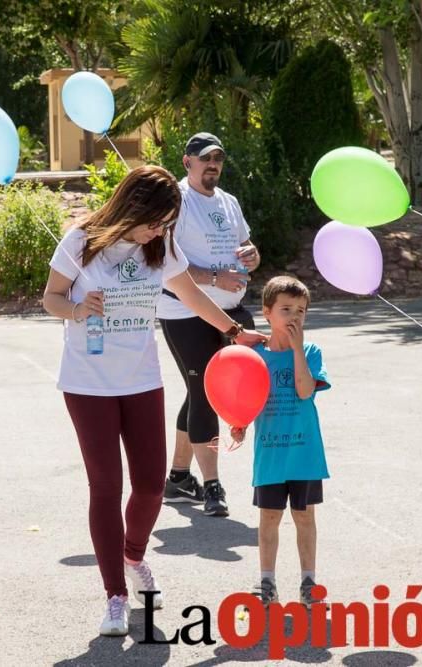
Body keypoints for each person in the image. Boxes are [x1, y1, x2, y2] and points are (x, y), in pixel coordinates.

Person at [42, 164, 265, 637]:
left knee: (149, 488)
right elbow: (51, 299)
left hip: (141, 379)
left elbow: (193, 296)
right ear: (133, 207)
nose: (160, 231)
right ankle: (115, 596)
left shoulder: (160, 246)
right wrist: (78, 308)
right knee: (105, 487)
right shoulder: (81, 241)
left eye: (167, 224)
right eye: (156, 221)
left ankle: (133, 556)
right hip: (88, 383)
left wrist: (234, 332)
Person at [158, 132, 260, 517]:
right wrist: (216, 278)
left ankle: (179, 478)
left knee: (199, 391)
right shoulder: (177, 202)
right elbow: (168, 267)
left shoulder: (229, 202)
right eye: (205, 158)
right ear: (187, 162)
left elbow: (248, 249)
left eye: (218, 157)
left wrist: (252, 257)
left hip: (233, 312)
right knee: (204, 393)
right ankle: (213, 485)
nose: (212, 164)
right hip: (185, 313)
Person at [230, 277, 329, 607]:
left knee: (304, 517)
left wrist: (297, 349)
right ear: (267, 313)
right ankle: (267, 583)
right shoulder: (254, 356)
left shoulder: (311, 352)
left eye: (301, 311)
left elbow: (303, 391)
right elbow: (245, 399)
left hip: (304, 454)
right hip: (270, 453)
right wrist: (239, 423)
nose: (294, 317)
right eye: (285, 309)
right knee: (269, 518)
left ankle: (308, 583)